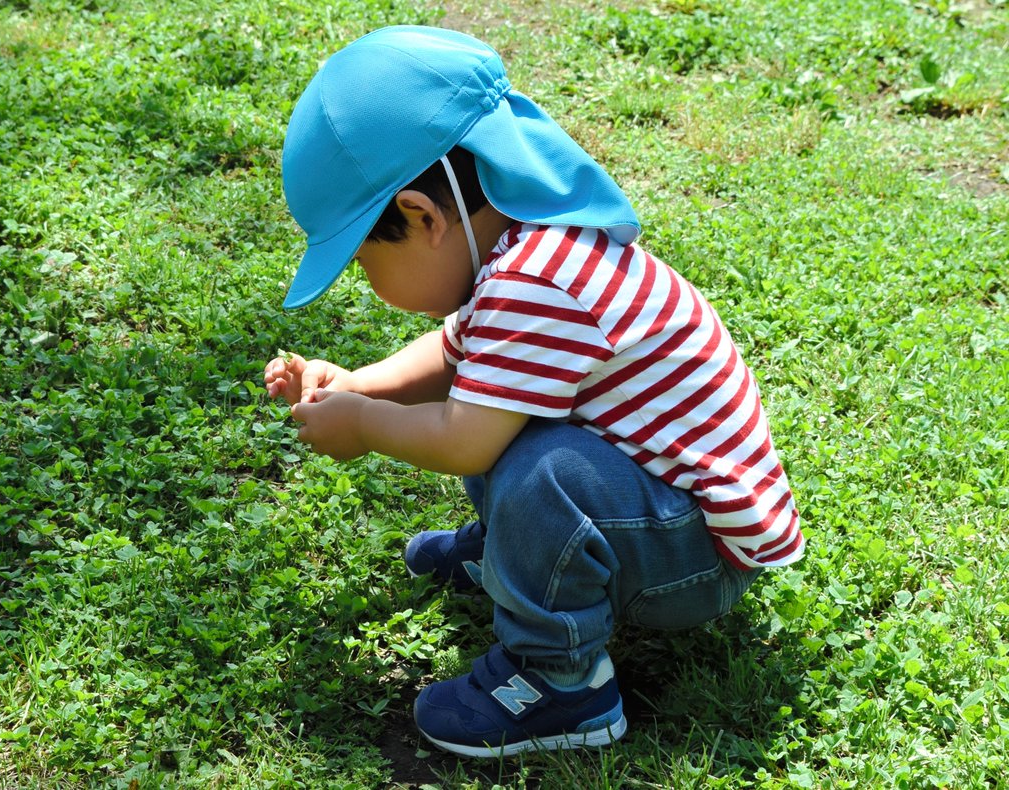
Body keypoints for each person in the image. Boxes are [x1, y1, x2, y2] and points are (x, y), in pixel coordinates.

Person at [263, 25, 804, 758]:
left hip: (698, 554)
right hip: (656, 505)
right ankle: (522, 561)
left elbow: (465, 438)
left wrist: (363, 424)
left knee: (538, 467)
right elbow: (459, 356)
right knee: (516, 422)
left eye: (364, 261)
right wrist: (359, 386)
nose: (368, 283)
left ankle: (561, 681)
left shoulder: (536, 282)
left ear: (424, 218)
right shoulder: (526, 248)